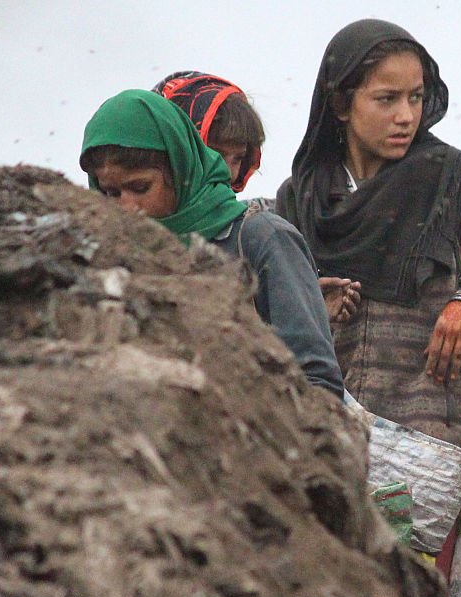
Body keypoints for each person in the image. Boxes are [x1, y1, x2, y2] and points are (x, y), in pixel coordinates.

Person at [275, 19, 461, 452]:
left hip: (430, 433)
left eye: (416, 97)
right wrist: (310, 303)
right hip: (324, 429)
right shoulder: (302, 197)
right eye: (386, 99)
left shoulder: (452, 179)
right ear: (340, 103)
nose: (406, 116)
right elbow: (272, 310)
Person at [79, 89, 344, 398]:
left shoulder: (261, 239)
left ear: (180, 171)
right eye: (110, 193)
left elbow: (318, 380)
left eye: (140, 187)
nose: (125, 207)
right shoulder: (110, 261)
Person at [153, 71, 360, 324]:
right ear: (176, 150)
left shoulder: (257, 232)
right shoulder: (118, 236)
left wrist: (300, 307)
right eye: (213, 153)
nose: (229, 171)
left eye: (238, 158)